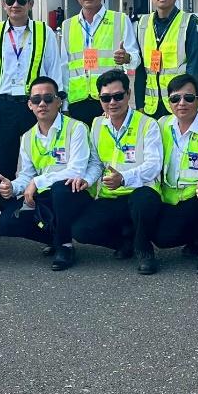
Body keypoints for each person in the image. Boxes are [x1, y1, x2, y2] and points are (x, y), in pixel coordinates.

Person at [0, 76, 93, 271]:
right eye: (36, 100)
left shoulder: (77, 128)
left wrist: (37, 182)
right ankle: (55, 238)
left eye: (48, 98)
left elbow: (76, 170)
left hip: (73, 193)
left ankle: (65, 246)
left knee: (59, 190)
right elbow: (27, 175)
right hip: (45, 197)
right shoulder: (28, 137)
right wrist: (13, 187)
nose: (42, 104)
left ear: (59, 102)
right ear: (29, 105)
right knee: (5, 223)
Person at [0, 0, 63, 206]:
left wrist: (58, 104)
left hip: (35, 105)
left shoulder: (44, 32)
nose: (16, 5)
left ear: (31, 4)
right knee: (4, 161)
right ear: (4, 4)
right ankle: (6, 211)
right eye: (10, 0)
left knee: (38, 158)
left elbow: (55, 68)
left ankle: (38, 208)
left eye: (21, 0)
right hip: (4, 106)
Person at [75, 69, 163, 272]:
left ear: (129, 95)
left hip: (140, 191)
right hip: (111, 195)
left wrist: (123, 178)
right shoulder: (97, 124)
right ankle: (124, 243)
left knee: (143, 201)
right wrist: (87, 181)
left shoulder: (147, 124)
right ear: (100, 99)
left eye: (118, 96)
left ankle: (144, 251)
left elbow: (153, 165)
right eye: (106, 98)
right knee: (80, 230)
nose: (112, 102)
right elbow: (96, 163)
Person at [144, 74, 198, 276]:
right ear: (169, 103)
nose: (181, 103)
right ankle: (195, 238)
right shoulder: (161, 125)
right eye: (175, 99)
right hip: (172, 199)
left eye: (188, 98)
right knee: (162, 238)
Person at [61, 0, 138, 125]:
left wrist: (127, 58)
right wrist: (64, 105)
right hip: (78, 102)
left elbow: (136, 59)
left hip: (110, 100)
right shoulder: (67, 25)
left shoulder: (120, 20)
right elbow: (64, 67)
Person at [135, 0, 198, 119]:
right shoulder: (143, 24)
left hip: (180, 106)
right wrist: (139, 105)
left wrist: (189, 104)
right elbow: (140, 70)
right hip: (151, 108)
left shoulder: (191, 23)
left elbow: (196, 70)